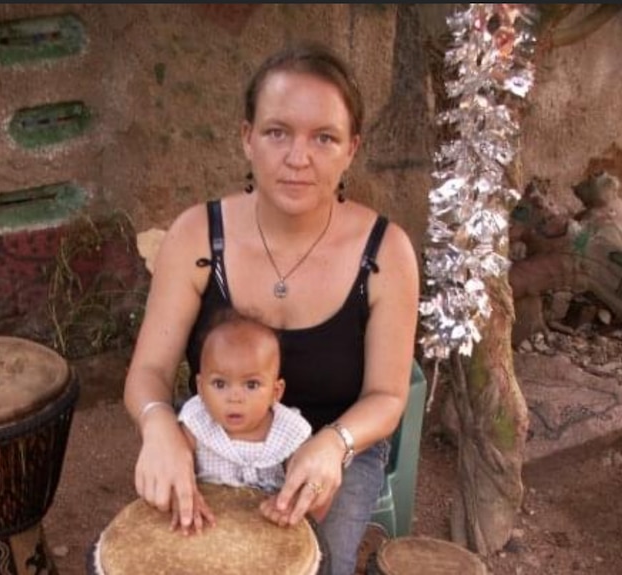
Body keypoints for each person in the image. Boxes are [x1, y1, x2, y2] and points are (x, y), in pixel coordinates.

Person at [124, 40, 419, 575]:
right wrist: (159, 426)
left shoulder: (386, 252)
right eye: (277, 132)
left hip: (335, 443)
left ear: (351, 148)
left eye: (324, 138)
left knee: (312, 564)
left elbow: (388, 396)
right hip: (216, 434)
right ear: (247, 138)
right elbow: (147, 371)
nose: (297, 157)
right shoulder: (198, 235)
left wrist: (335, 445)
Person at [174, 308, 313, 531]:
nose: (234, 397)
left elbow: (304, 482)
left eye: (251, 385)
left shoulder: (290, 433)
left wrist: (287, 504)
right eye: (220, 384)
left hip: (264, 533)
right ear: (200, 387)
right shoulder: (195, 423)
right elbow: (174, 464)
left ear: (275, 392)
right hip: (208, 527)